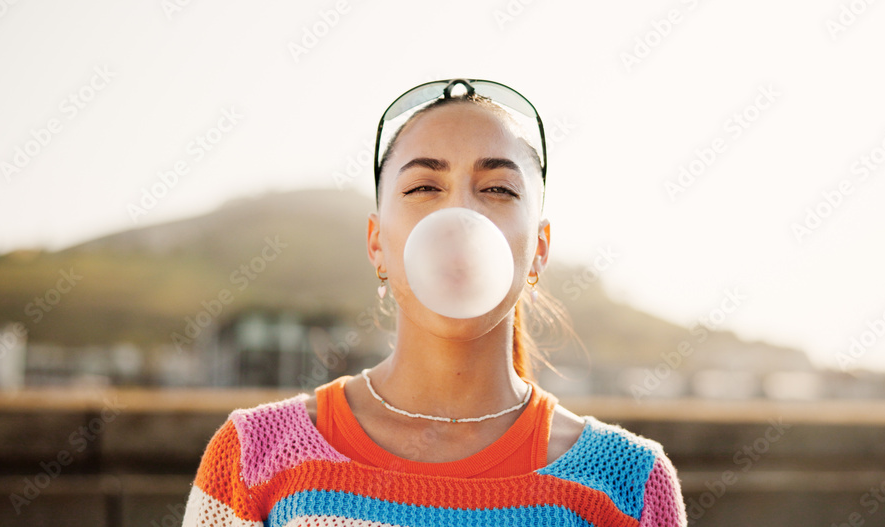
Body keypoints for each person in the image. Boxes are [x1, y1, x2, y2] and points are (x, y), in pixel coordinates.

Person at [182, 79, 687, 526]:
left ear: (538, 248)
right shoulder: (254, 456)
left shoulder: (631, 486)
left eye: (497, 188)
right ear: (377, 242)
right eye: (424, 186)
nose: (461, 215)